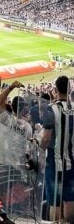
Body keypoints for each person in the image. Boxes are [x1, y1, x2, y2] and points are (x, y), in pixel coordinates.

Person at [41, 75, 74, 222]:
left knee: (55, 199)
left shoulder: (51, 109)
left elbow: (46, 138)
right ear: (69, 89)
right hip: (72, 162)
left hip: (54, 164)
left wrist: (40, 148)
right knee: (69, 198)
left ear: (55, 89)